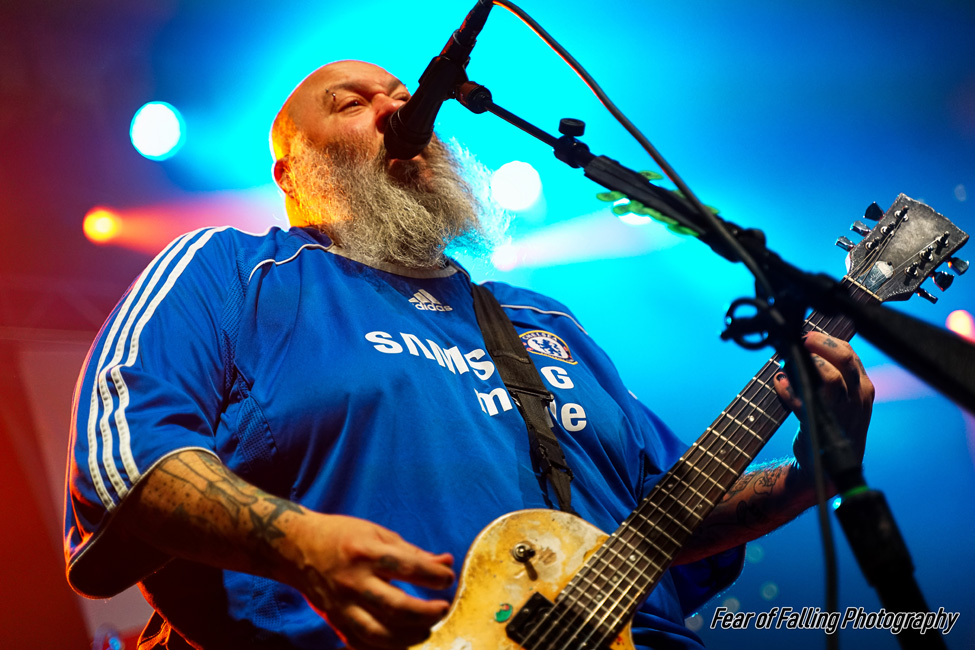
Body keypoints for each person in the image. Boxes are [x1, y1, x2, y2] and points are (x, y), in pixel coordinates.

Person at [64, 60, 874, 650]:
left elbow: (657, 520)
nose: (394, 110)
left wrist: (807, 477)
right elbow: (123, 459)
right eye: (352, 103)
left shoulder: (539, 318)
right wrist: (297, 546)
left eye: (405, 98)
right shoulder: (235, 271)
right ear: (290, 172)